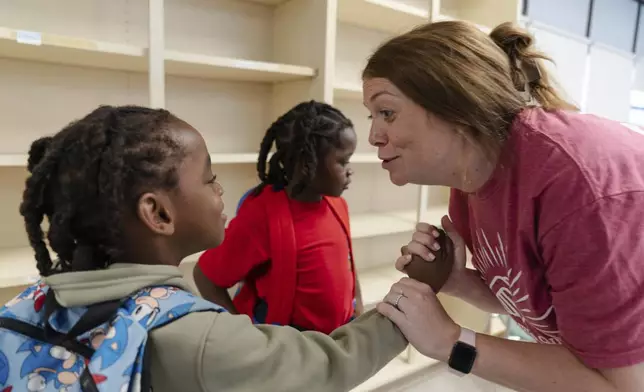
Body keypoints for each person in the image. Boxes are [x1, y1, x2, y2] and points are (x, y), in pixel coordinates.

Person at [0, 105, 406, 392]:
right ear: (158, 213)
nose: (221, 189)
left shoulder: (34, 300)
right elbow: (327, 367)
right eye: (210, 179)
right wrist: (408, 308)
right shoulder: (201, 339)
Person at [363, 20, 644, 391]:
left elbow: (622, 385)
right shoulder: (472, 178)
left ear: (453, 104)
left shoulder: (576, 189)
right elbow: (538, 306)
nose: (373, 136)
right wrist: (458, 282)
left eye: (387, 113)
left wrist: (452, 341)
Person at [194, 100, 364, 334]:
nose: (350, 170)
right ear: (307, 165)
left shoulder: (338, 204)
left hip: (336, 342)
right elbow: (206, 277)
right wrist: (244, 336)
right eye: (343, 161)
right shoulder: (263, 216)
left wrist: (358, 310)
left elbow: (348, 265)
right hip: (288, 351)